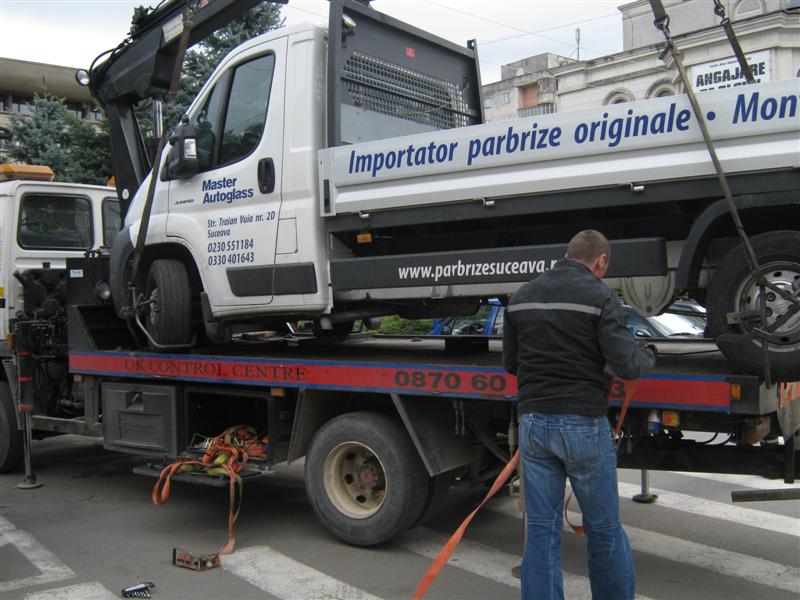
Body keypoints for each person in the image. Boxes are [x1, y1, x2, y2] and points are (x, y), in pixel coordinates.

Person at [503, 229, 657, 600]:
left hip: (534, 425)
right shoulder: (601, 297)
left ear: (566, 254)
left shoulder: (521, 297)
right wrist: (650, 353)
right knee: (603, 530)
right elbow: (627, 365)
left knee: (541, 529)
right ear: (600, 260)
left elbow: (512, 365)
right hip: (583, 426)